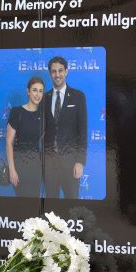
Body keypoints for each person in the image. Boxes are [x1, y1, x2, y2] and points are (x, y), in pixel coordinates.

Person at [43, 56, 87, 199]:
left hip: (71, 162)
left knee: (72, 202)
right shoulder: (44, 98)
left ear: (66, 71)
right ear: (50, 73)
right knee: (51, 203)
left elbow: (83, 131)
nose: (57, 75)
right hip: (49, 164)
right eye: (54, 71)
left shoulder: (78, 96)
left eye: (60, 70)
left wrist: (80, 162)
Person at [6, 76, 45, 198]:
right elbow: (9, 142)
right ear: (28, 92)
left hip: (36, 167)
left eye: (41, 91)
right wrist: (12, 170)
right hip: (19, 166)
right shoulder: (16, 112)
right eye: (34, 90)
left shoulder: (44, 115)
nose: (38, 94)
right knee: (22, 202)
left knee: (34, 201)